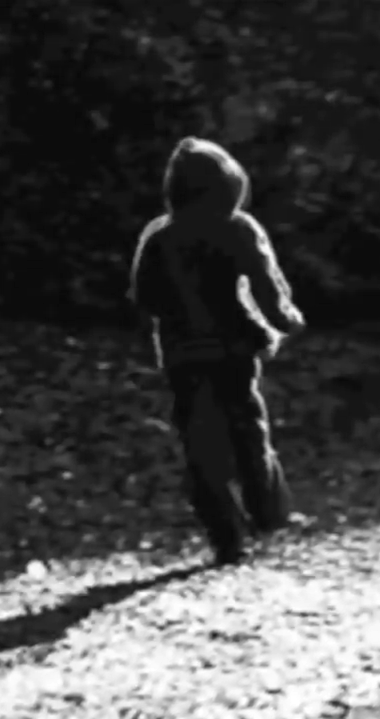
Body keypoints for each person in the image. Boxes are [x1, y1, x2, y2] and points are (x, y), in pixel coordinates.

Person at [128, 136, 306, 564]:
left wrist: (176, 318)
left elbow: (145, 296)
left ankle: (226, 537)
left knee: (198, 442)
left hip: (182, 354)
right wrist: (285, 321)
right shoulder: (237, 227)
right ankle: (268, 513)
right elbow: (266, 284)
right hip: (234, 348)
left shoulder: (160, 235)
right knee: (248, 429)